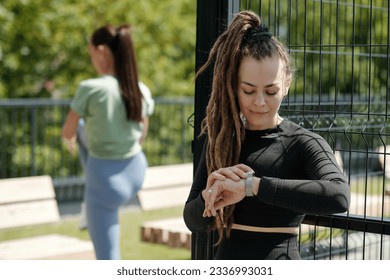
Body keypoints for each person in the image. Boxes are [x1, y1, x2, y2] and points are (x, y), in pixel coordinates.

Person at [183, 11, 350, 260]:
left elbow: (339, 196)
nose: (259, 102)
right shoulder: (220, 140)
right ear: (234, 85)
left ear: (287, 84)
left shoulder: (303, 143)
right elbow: (191, 220)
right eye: (248, 90)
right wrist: (209, 199)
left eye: (271, 91)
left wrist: (252, 186)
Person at [62, 24, 154, 260]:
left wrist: (72, 141)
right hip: (135, 171)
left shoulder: (91, 88)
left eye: (91, 53)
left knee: (107, 258)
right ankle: (87, 202)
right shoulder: (139, 89)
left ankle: (87, 202)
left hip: (105, 181)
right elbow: (143, 131)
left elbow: (68, 131)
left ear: (101, 51)